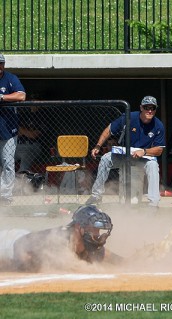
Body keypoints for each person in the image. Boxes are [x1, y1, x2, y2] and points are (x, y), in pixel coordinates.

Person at [86, 96, 165, 207]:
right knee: (105, 159)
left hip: (143, 157)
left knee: (153, 165)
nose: (150, 111)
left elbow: (159, 150)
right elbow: (109, 130)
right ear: (141, 108)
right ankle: (96, 196)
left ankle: (153, 203)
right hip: (124, 154)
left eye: (153, 108)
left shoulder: (158, 125)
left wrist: (144, 151)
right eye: (147, 107)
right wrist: (98, 146)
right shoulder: (129, 117)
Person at [0, 205, 121, 272]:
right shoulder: (59, 240)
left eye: (98, 230)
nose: (96, 233)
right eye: (92, 228)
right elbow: (22, 246)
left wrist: (133, 259)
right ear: (79, 227)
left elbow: (112, 257)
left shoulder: (92, 246)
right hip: (10, 242)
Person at [0, 52, 27, 205]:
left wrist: (2, 97)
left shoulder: (10, 78)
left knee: (8, 163)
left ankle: (5, 197)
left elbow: (21, 96)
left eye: (1, 64)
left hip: (8, 130)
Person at [15, 105, 45, 173]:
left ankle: (21, 180)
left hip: (32, 146)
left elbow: (33, 135)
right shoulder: (23, 116)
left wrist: (22, 130)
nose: (33, 104)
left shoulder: (43, 117)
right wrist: (27, 131)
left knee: (24, 164)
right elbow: (16, 131)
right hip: (17, 146)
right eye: (31, 100)